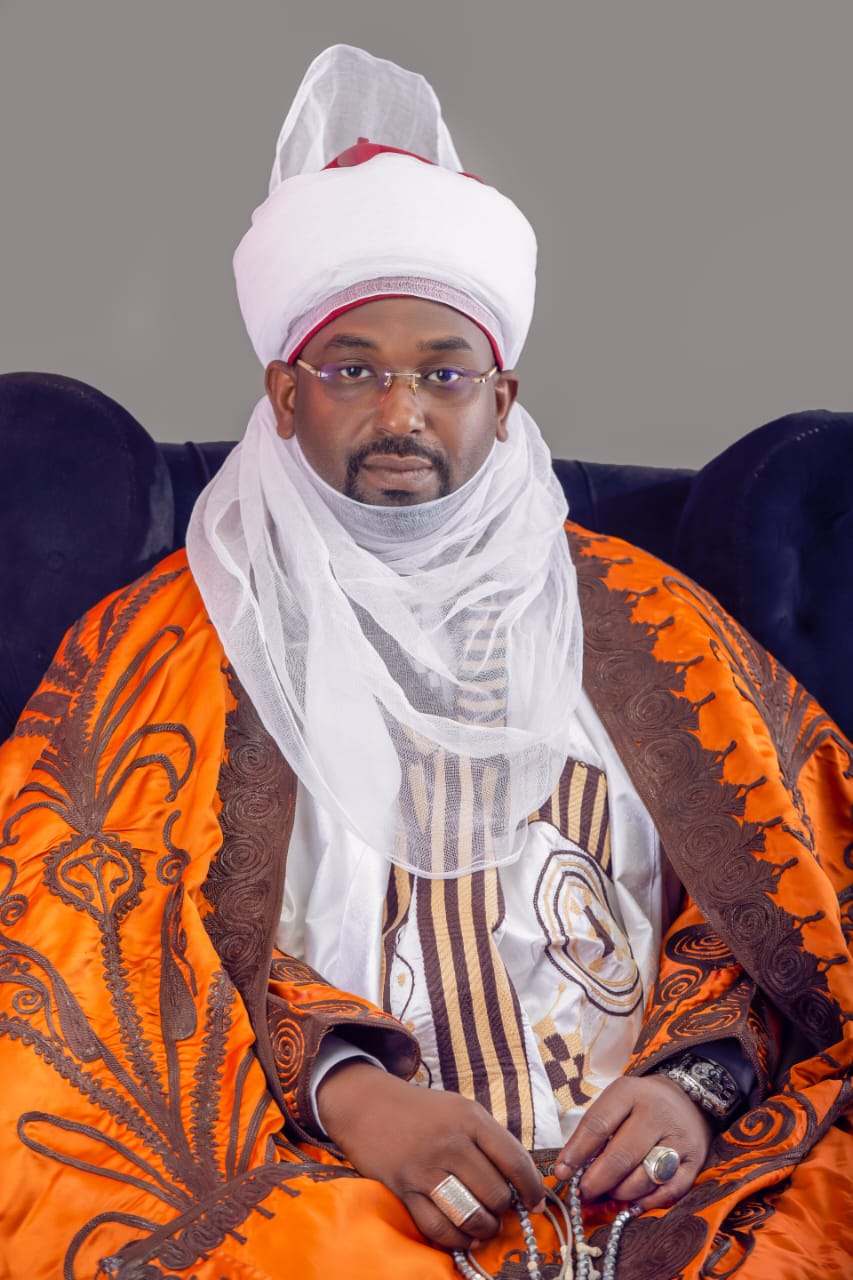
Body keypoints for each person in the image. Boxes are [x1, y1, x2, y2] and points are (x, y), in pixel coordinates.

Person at [0, 44, 851, 1280]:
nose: (400, 412)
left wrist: (693, 1085)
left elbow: (796, 910)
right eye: (353, 369)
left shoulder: (653, 621)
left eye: (444, 372)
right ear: (284, 392)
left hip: (674, 1180)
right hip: (313, 1173)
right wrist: (350, 1091)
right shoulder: (158, 641)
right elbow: (83, 959)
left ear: (501, 399)